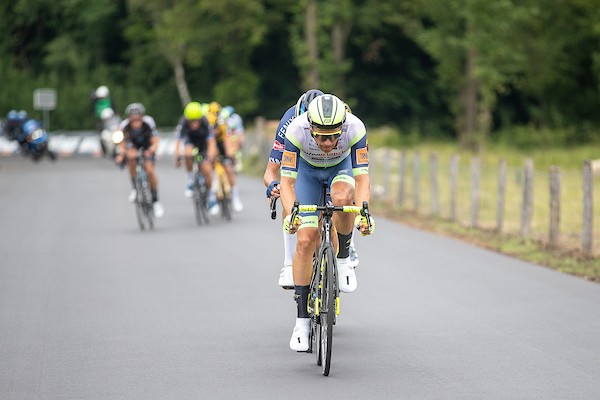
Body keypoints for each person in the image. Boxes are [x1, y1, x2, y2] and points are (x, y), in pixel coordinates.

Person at [279, 93, 375, 351]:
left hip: (339, 169)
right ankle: (301, 322)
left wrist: (364, 213)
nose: (329, 142)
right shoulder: (296, 130)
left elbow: (363, 179)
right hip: (307, 174)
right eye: (321, 136)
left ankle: (343, 258)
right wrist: (291, 215)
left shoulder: (355, 127)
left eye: (334, 136)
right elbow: (286, 183)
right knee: (306, 239)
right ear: (310, 127)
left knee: (343, 196)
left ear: (343, 127)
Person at [263, 89, 360, 290]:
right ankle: (289, 263)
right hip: (303, 168)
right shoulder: (290, 124)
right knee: (288, 195)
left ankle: (345, 250)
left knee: (339, 203)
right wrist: (273, 186)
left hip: (336, 165)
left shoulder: (342, 115)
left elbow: (357, 169)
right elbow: (271, 172)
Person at [114, 103, 164, 218]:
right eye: (133, 120)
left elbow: (155, 140)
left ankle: (156, 201)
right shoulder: (124, 125)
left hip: (147, 145)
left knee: (150, 170)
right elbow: (121, 143)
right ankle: (135, 188)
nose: (136, 122)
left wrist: (151, 150)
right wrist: (121, 154)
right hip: (133, 146)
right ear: (129, 119)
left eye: (138, 119)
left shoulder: (148, 122)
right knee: (131, 158)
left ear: (142, 117)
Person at [174, 101, 218, 207]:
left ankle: (211, 196)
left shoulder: (205, 122)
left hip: (203, 142)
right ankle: (190, 180)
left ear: (200, 118)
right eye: (191, 121)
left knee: (207, 169)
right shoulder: (183, 123)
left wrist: (211, 156)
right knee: (187, 154)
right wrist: (177, 158)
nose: (194, 123)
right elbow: (177, 143)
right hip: (190, 141)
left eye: (196, 121)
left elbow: (211, 143)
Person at [205, 101, 243, 213]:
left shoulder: (222, 123)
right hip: (208, 144)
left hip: (221, 143)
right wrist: (210, 157)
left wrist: (230, 156)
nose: (214, 131)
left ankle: (235, 197)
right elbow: (209, 145)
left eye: (215, 129)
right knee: (208, 169)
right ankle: (211, 197)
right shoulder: (206, 122)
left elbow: (227, 141)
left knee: (229, 169)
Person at [220, 106, 245, 172]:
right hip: (224, 137)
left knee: (235, 139)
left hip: (233, 137)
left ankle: (237, 158)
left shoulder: (236, 118)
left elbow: (240, 132)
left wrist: (240, 143)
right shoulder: (220, 118)